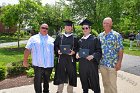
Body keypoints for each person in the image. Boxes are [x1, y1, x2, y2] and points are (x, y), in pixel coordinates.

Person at [23, 23, 54, 93]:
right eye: (43, 28)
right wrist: (25, 60)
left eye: (46, 28)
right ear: (40, 28)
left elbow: (56, 50)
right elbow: (27, 49)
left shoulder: (52, 39)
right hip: (38, 65)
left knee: (47, 82)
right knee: (37, 81)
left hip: (49, 65)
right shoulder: (33, 38)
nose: (45, 29)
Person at [98, 17, 123, 93]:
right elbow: (97, 50)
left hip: (113, 65)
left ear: (111, 24)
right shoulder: (100, 36)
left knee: (112, 85)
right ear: (102, 24)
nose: (106, 25)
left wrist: (119, 63)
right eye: (104, 23)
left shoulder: (116, 35)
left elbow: (120, 50)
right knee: (105, 84)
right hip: (102, 64)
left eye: (108, 23)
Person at [76, 19, 102, 93]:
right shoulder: (80, 40)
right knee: (84, 82)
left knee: (95, 82)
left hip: (92, 65)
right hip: (83, 65)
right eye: (83, 28)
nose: (85, 29)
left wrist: (93, 56)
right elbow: (78, 50)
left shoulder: (95, 39)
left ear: (90, 29)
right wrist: (77, 54)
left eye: (86, 28)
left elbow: (99, 51)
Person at [54, 20, 78, 93]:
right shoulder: (59, 37)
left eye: (69, 26)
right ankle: (59, 91)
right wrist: (58, 51)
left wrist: (74, 52)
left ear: (71, 28)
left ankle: (70, 91)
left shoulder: (75, 37)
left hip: (71, 60)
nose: (68, 27)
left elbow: (78, 48)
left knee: (71, 75)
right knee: (60, 74)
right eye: (67, 26)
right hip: (61, 59)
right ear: (64, 27)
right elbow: (55, 46)